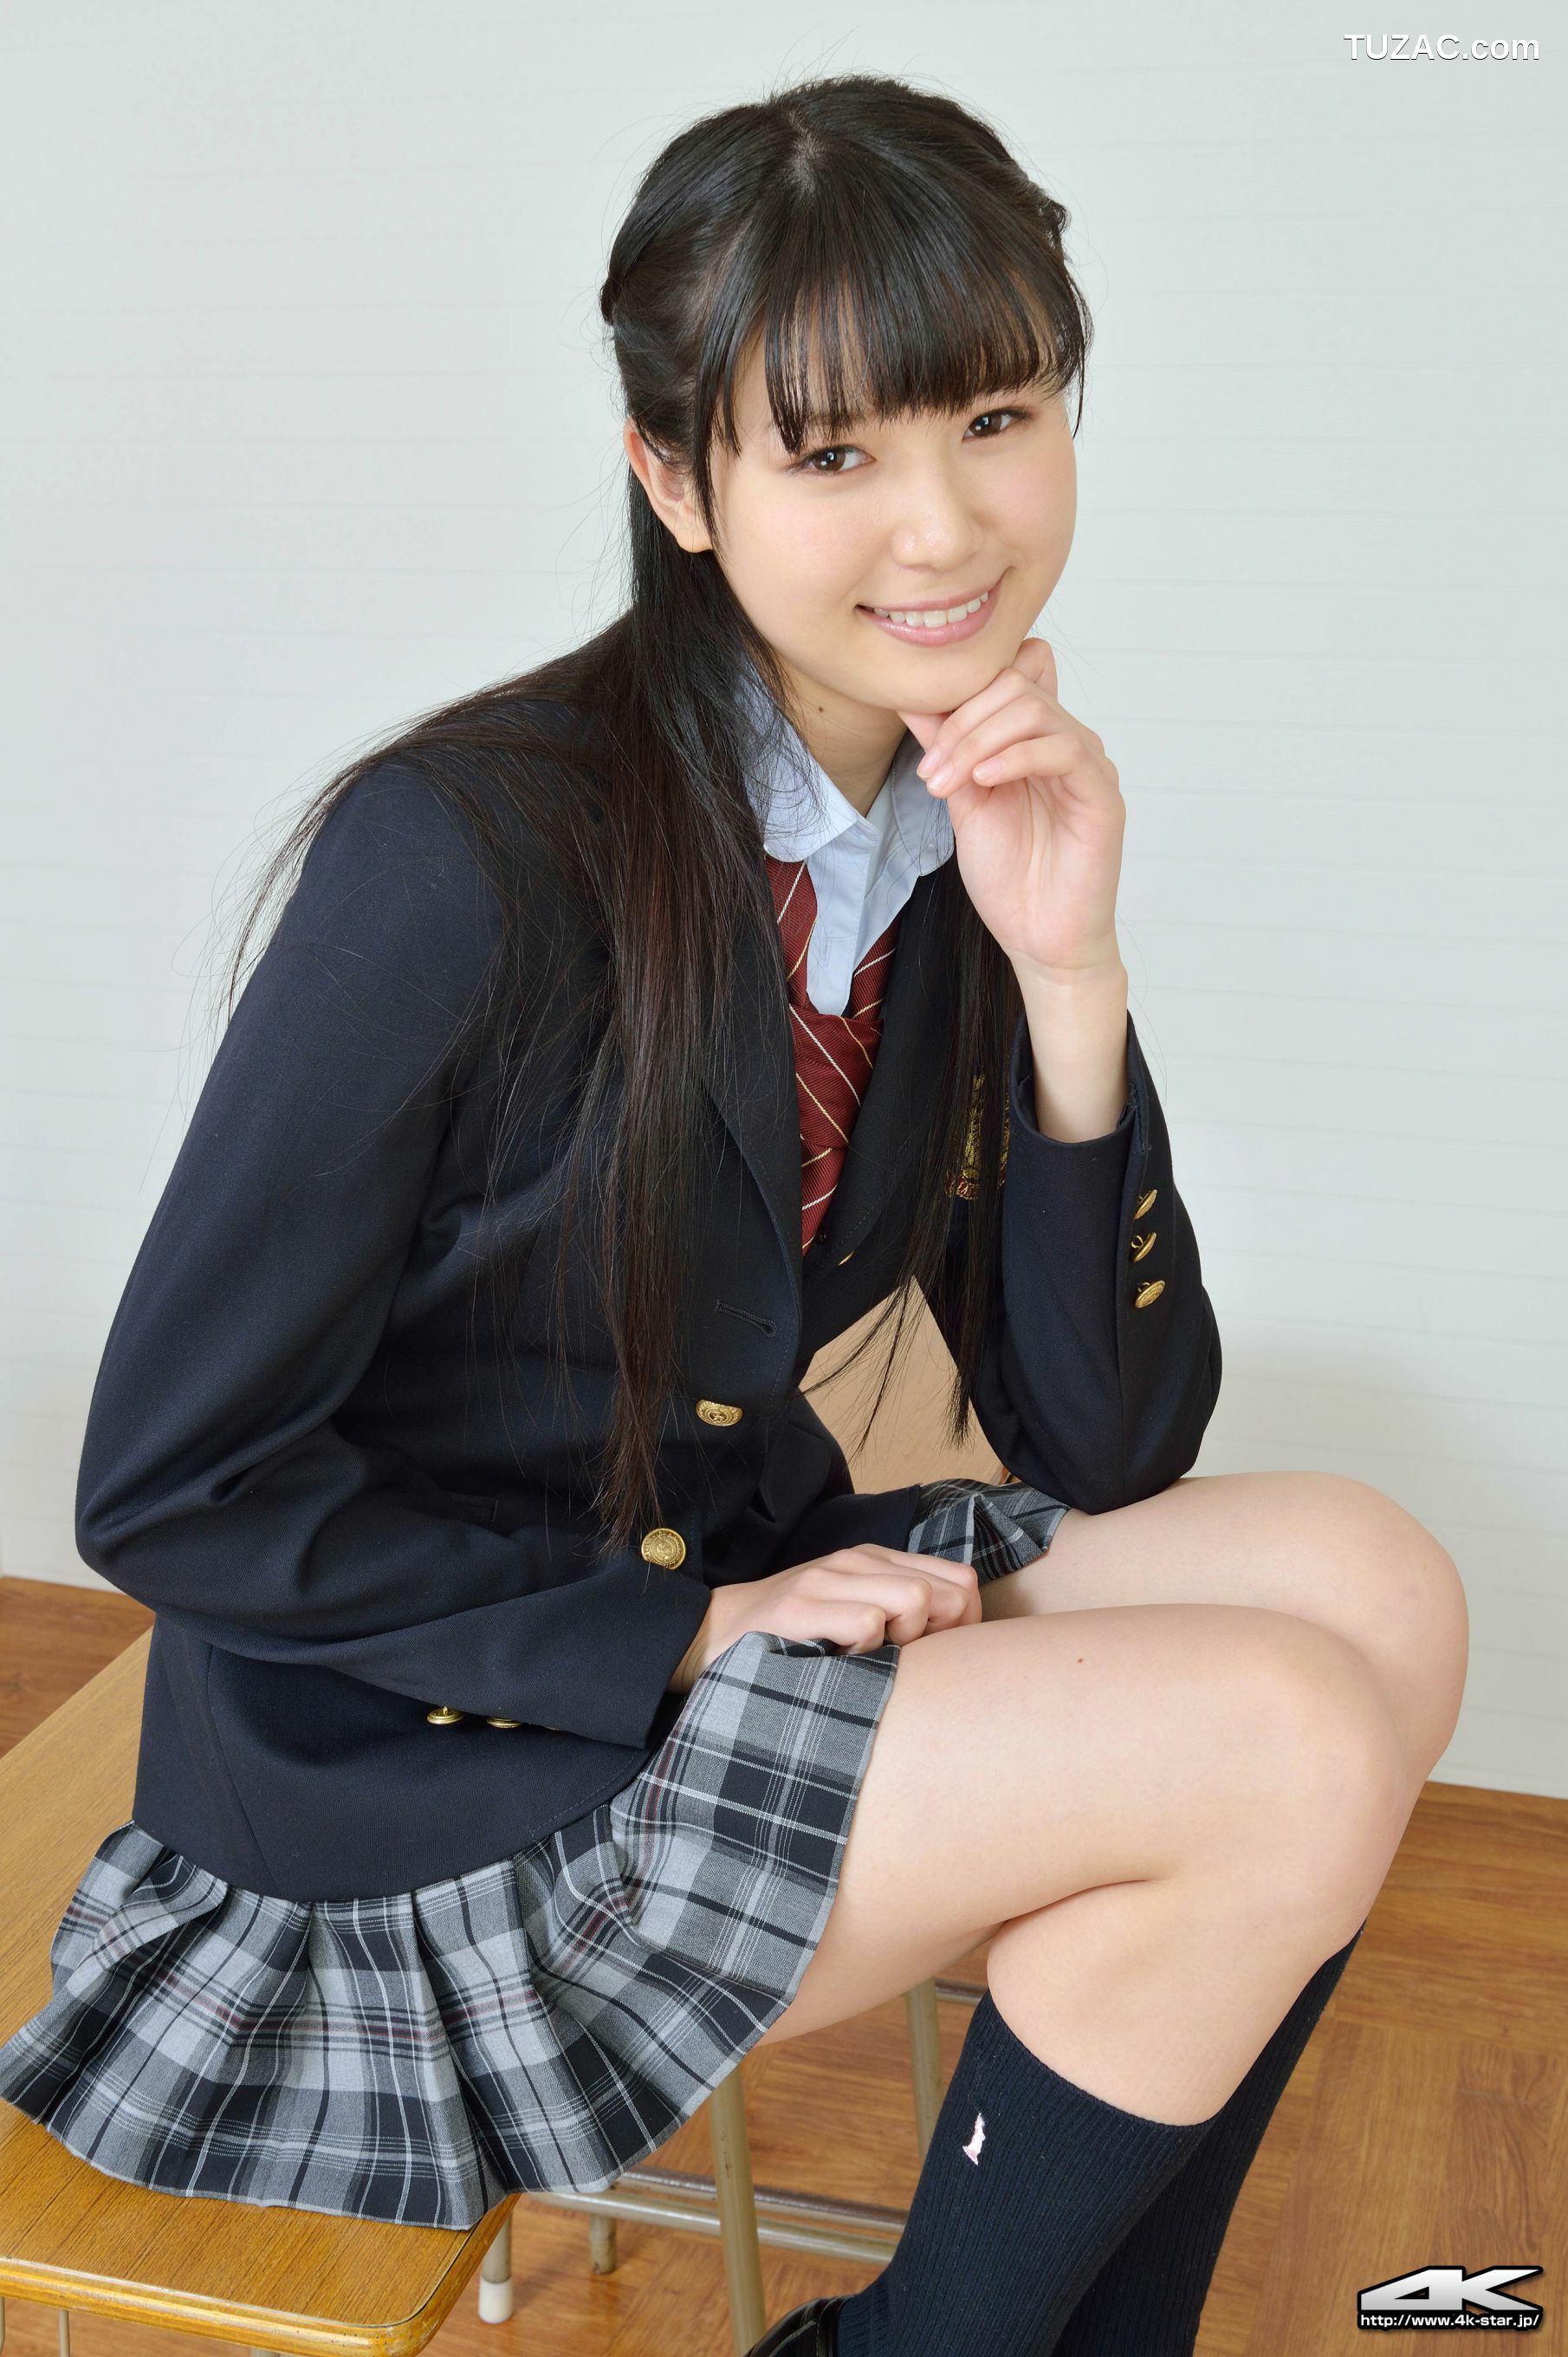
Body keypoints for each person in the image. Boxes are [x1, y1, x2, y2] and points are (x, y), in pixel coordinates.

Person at [0, 70, 1467, 2357]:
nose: (944, 523)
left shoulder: (945, 833)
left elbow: (1105, 1442)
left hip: (724, 1595)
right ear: (677, 482)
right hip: (426, 1763)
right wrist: (684, 1635)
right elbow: (172, 1490)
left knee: (1372, 1586)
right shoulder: (462, 852)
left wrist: (1070, 973)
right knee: (1276, 1739)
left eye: (997, 418)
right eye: (834, 453)